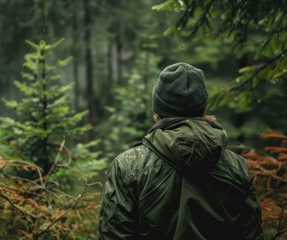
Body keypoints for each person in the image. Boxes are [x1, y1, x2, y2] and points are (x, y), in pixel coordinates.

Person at [98, 62, 263, 240]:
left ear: (158, 111)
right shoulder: (237, 167)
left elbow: (114, 235)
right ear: (202, 108)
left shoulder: (127, 166)